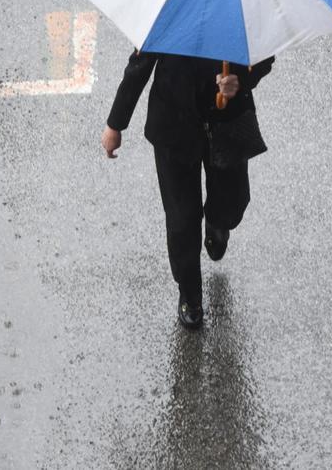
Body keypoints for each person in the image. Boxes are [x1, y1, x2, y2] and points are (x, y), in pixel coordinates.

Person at [100, 50, 274, 330]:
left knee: (232, 203)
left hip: (227, 124)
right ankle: (190, 295)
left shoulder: (236, 10)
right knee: (182, 220)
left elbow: (264, 56)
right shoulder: (167, 11)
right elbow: (139, 66)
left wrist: (240, 79)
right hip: (173, 127)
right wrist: (115, 124)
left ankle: (218, 225)